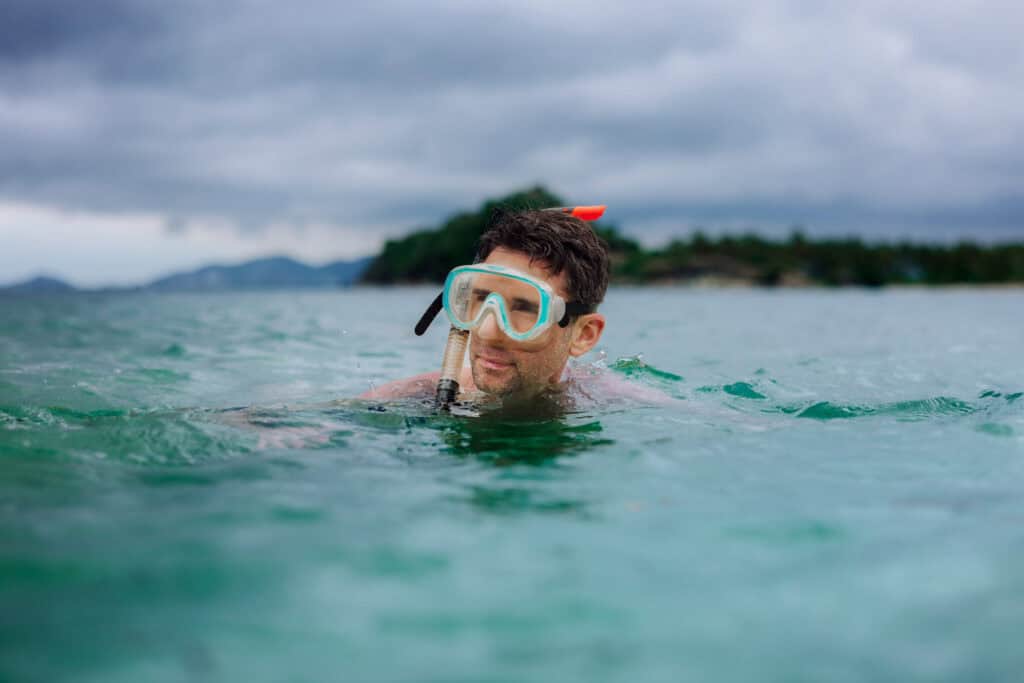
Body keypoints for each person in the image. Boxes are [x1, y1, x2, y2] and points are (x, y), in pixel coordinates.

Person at [361, 209, 609, 403]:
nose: (487, 331)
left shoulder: (614, 402)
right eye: (480, 298)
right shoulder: (410, 396)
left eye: (525, 308)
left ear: (584, 335)